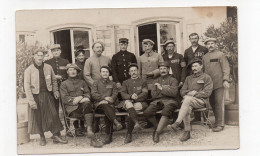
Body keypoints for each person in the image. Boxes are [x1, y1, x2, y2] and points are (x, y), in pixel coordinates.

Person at [24, 50, 68, 146]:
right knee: (38, 117)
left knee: (53, 114)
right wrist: (31, 102)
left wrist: (55, 91)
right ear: (34, 56)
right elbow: (26, 87)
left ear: (44, 57)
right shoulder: (29, 70)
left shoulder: (48, 67)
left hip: (47, 94)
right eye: (38, 55)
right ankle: (42, 137)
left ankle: (56, 136)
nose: (40, 57)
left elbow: (53, 80)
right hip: (35, 96)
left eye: (41, 55)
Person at [167, 58, 213, 141]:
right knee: (186, 107)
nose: (194, 68)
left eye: (196, 66)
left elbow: (208, 92)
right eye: (192, 66)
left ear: (201, 66)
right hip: (189, 101)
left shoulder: (206, 77)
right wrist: (190, 92)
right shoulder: (188, 78)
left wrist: (196, 94)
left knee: (186, 100)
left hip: (201, 101)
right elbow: (182, 91)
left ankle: (177, 122)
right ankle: (187, 132)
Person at [60, 64, 103, 148]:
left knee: (88, 105)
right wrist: (80, 99)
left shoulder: (82, 82)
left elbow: (88, 94)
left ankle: (90, 132)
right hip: (72, 110)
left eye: (74, 70)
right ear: (67, 72)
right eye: (71, 70)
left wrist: (81, 97)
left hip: (84, 107)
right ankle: (91, 135)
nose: (73, 71)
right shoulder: (64, 84)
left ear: (77, 72)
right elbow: (65, 98)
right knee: (89, 110)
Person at [143, 62, 179, 143]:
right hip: (158, 100)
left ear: (168, 70)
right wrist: (166, 90)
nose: (163, 71)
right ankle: (158, 126)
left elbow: (174, 93)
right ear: (159, 70)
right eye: (161, 69)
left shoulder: (173, 80)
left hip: (170, 101)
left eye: (164, 68)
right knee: (147, 112)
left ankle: (157, 132)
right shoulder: (156, 80)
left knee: (165, 112)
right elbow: (153, 95)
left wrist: (161, 88)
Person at [202, 37, 230, 132]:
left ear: (215, 44)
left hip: (219, 83)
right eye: (208, 44)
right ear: (206, 45)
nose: (210, 45)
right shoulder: (205, 57)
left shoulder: (220, 55)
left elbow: (226, 68)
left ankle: (220, 124)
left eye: (212, 43)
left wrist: (225, 80)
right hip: (209, 85)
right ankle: (217, 122)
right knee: (212, 103)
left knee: (219, 103)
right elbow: (203, 71)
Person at [83, 41, 111, 132]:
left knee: (106, 103)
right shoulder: (89, 60)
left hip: (106, 87)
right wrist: (95, 86)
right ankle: (95, 125)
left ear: (102, 49)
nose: (99, 49)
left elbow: (110, 72)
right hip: (94, 88)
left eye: (100, 47)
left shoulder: (107, 59)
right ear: (93, 49)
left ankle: (108, 126)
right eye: (97, 47)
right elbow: (86, 75)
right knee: (95, 105)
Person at [91, 66, 123, 145]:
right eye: (103, 72)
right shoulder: (95, 83)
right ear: (100, 73)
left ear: (109, 73)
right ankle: (115, 123)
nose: (105, 73)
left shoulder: (113, 83)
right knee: (107, 107)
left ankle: (108, 136)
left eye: (107, 72)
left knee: (108, 110)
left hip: (109, 104)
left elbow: (115, 94)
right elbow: (93, 94)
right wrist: (104, 98)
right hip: (99, 105)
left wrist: (110, 99)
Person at [111, 38, 137, 129]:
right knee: (121, 100)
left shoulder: (131, 56)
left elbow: (135, 68)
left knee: (130, 99)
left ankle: (130, 120)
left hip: (129, 82)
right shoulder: (115, 56)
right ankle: (122, 121)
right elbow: (113, 71)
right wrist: (117, 82)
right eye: (121, 44)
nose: (123, 46)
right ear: (119, 45)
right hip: (120, 83)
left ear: (127, 45)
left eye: (125, 44)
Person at [119, 63, 148, 144]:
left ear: (138, 71)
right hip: (129, 101)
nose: (133, 72)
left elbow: (145, 93)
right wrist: (131, 96)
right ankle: (136, 123)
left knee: (130, 110)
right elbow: (123, 94)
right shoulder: (125, 82)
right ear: (129, 73)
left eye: (135, 70)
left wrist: (136, 97)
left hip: (140, 102)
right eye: (131, 71)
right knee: (128, 103)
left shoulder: (143, 81)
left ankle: (129, 134)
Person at [183, 33, 208, 123]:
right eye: (192, 38)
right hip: (192, 75)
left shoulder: (204, 49)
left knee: (203, 93)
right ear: (189, 40)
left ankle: (206, 119)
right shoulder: (187, 51)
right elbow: (185, 65)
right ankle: (197, 118)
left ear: (198, 39)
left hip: (202, 74)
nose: (193, 40)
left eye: (195, 38)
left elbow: (206, 62)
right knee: (194, 91)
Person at [45, 44, 70, 113]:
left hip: (64, 86)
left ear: (60, 51)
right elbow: (46, 75)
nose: (56, 52)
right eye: (54, 51)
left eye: (57, 50)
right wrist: (54, 77)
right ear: (51, 52)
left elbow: (69, 73)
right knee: (54, 106)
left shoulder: (65, 61)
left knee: (65, 105)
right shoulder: (47, 62)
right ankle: (56, 123)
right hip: (52, 87)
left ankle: (66, 123)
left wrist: (62, 77)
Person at [74, 49, 87, 131]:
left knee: (84, 106)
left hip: (85, 87)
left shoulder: (87, 64)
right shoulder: (74, 66)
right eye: (79, 56)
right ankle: (76, 127)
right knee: (76, 106)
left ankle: (82, 126)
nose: (81, 57)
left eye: (82, 55)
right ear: (76, 57)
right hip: (77, 88)